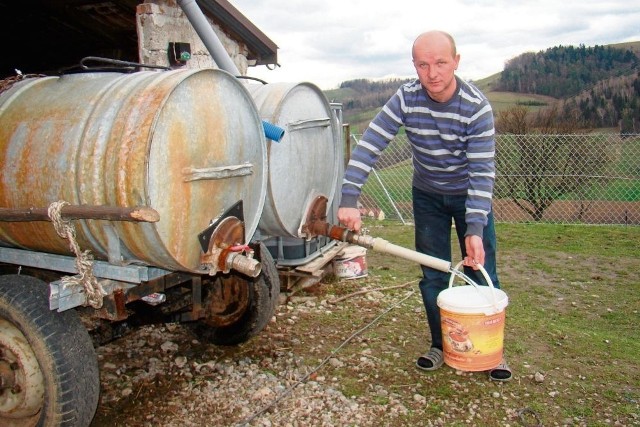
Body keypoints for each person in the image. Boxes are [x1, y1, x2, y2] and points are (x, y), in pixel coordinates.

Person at [337, 30, 511, 381]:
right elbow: (372, 142)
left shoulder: (477, 108)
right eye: (423, 64)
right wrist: (349, 198)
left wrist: (474, 229)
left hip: (469, 196)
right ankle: (441, 344)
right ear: (414, 66)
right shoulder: (407, 97)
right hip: (427, 194)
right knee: (432, 272)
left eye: (441, 63)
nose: (432, 73)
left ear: (456, 62)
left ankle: (491, 351)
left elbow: (481, 173)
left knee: (481, 269)